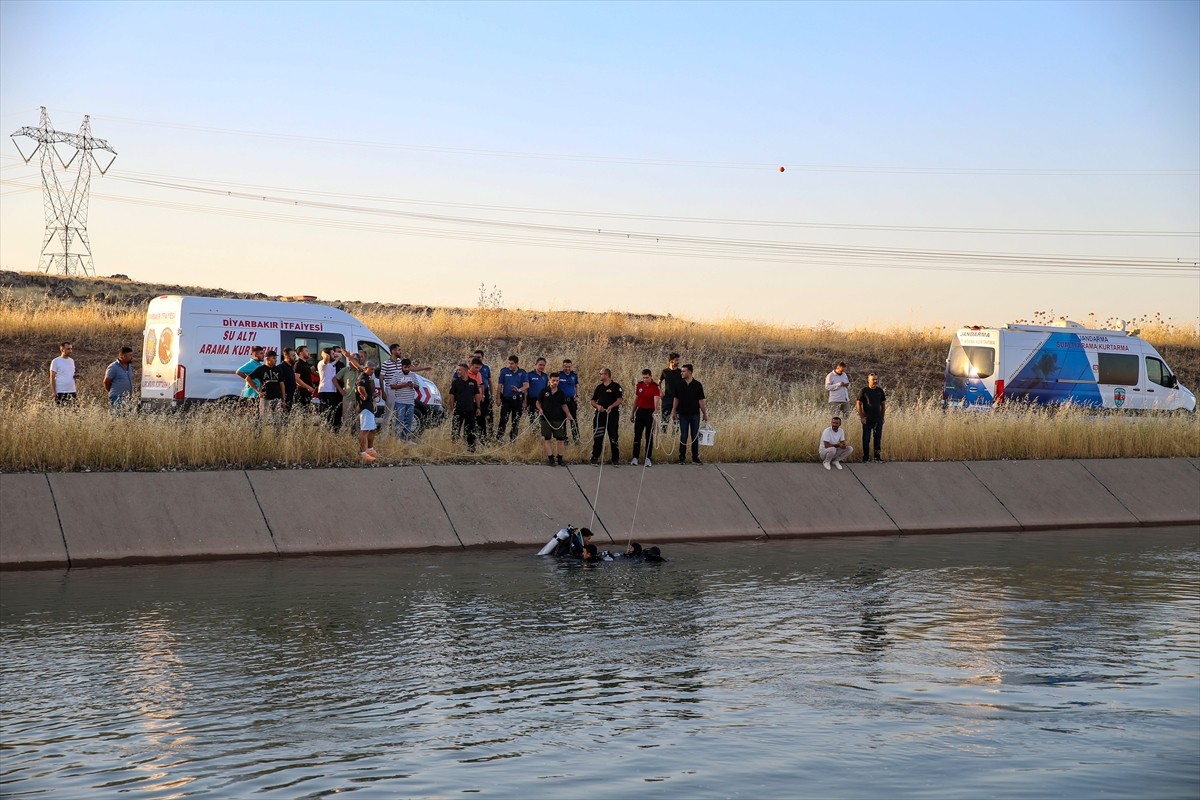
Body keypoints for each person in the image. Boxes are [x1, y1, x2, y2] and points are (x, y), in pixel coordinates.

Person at [672, 364, 708, 465]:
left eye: (684, 371)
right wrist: (674, 411)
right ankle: (682, 457)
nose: (681, 373)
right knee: (683, 436)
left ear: (690, 372)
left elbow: (700, 400)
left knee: (694, 436)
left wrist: (704, 413)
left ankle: (695, 457)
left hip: (695, 414)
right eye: (681, 371)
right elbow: (676, 398)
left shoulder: (697, 385)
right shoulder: (679, 384)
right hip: (683, 414)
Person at [536, 373, 574, 466]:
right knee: (547, 438)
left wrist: (568, 414)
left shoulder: (561, 392)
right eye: (553, 380)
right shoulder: (544, 391)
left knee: (560, 439)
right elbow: (538, 402)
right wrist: (540, 409)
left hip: (558, 419)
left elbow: (563, 404)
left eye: (557, 381)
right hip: (546, 419)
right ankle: (551, 459)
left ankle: (560, 459)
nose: (555, 382)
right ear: (549, 380)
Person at [590, 368, 623, 465]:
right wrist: (597, 406)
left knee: (613, 436)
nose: (599, 375)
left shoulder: (616, 386)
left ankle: (615, 459)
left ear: (607, 374)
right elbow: (592, 401)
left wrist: (611, 406)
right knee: (598, 436)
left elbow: (619, 399)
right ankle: (595, 457)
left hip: (612, 415)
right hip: (600, 415)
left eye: (601, 374)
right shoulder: (599, 387)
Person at [630, 369, 661, 466]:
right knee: (637, 435)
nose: (645, 379)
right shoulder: (639, 385)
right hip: (640, 412)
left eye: (647, 377)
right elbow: (636, 399)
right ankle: (635, 457)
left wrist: (656, 410)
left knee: (649, 435)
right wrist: (632, 413)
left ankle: (648, 458)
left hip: (650, 413)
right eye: (643, 378)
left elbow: (656, 399)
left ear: (651, 376)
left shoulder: (655, 386)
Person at [247, 350, 287, 425]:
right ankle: (259, 435)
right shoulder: (261, 369)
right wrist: (258, 391)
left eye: (275, 358)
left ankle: (277, 436)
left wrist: (283, 398)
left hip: (277, 397)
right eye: (273, 358)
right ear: (267, 359)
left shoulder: (278, 369)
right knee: (262, 419)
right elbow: (248, 378)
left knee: (277, 421)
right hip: (265, 398)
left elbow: (282, 383)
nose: (275, 360)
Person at [449, 363, 481, 452]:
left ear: (466, 371)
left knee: (470, 430)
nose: (458, 372)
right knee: (455, 430)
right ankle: (454, 449)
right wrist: (452, 409)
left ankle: (471, 449)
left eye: (460, 370)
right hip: (458, 410)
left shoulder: (473, 382)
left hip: (470, 410)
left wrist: (478, 407)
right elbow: (451, 396)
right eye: (457, 370)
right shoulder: (455, 382)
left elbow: (477, 395)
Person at [496, 355, 529, 441]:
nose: (510, 365)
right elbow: (499, 386)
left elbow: (526, 386)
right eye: (509, 363)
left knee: (515, 421)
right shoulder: (504, 372)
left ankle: (513, 440)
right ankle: (499, 439)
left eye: (512, 364)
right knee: (503, 419)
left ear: (517, 363)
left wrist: (519, 391)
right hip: (506, 400)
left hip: (518, 400)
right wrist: (498, 398)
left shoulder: (522, 373)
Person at [856, 371, 887, 463]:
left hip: (878, 419)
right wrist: (862, 416)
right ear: (868, 380)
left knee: (877, 438)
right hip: (867, 419)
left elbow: (883, 405)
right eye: (873, 379)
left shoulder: (880, 391)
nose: (875, 381)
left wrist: (882, 417)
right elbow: (858, 404)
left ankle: (877, 457)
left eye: (876, 379)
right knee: (866, 439)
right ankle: (866, 458)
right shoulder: (864, 391)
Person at [356, 360, 381, 461]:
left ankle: (370, 449)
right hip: (364, 407)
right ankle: (362, 452)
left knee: (372, 429)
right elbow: (360, 387)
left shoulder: (367, 378)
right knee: (365, 430)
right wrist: (365, 395)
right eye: (371, 369)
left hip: (369, 406)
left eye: (374, 369)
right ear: (366, 368)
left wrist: (372, 395)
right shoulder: (362, 377)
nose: (373, 371)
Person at [390, 358, 420, 441]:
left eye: (408, 367)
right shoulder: (397, 374)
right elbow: (392, 386)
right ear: (401, 367)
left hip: (410, 402)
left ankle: (407, 439)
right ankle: (397, 439)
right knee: (399, 421)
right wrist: (402, 385)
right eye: (405, 367)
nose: (407, 369)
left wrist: (413, 385)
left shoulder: (413, 375)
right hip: (400, 401)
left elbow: (418, 387)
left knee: (409, 421)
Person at [337, 352, 365, 434]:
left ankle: (358, 437)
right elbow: (335, 379)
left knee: (358, 420)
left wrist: (348, 356)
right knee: (347, 420)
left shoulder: (360, 370)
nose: (350, 361)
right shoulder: (346, 370)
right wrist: (340, 390)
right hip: (348, 398)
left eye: (353, 360)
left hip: (358, 399)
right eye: (349, 360)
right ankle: (346, 437)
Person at [317, 347, 343, 429]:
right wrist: (324, 353)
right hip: (325, 391)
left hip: (332, 391)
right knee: (327, 413)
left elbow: (339, 357)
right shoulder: (322, 363)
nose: (334, 355)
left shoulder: (331, 364)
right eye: (332, 354)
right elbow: (326, 359)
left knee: (333, 413)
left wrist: (337, 354)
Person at [103, 346, 135, 411]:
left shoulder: (129, 366)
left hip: (128, 397)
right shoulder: (113, 367)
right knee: (117, 418)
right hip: (116, 397)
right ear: (123, 357)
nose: (132, 357)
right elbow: (106, 382)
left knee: (128, 418)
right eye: (130, 356)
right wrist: (113, 391)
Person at [558, 359, 581, 443]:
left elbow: (577, 386)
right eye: (565, 366)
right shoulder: (559, 375)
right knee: (562, 421)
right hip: (561, 401)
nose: (567, 368)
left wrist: (577, 396)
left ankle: (576, 439)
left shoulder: (574, 375)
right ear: (563, 366)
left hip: (571, 401)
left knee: (573, 420)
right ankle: (564, 439)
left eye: (569, 366)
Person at [658, 352, 682, 433]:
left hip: (678, 399)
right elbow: (659, 383)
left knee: (677, 420)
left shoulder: (680, 372)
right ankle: (663, 436)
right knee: (665, 419)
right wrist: (660, 391)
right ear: (671, 361)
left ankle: (674, 438)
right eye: (676, 360)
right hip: (667, 398)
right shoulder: (665, 371)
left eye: (678, 360)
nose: (678, 362)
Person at [473, 349, 494, 441]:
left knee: (488, 413)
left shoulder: (486, 368)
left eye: (479, 357)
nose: (477, 358)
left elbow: (489, 381)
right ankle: (476, 434)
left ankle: (489, 434)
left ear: (482, 358)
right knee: (477, 414)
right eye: (475, 357)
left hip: (485, 393)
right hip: (474, 394)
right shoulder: (471, 368)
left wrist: (492, 394)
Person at [235, 345, 265, 410]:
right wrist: (247, 379)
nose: (263, 355)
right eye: (261, 353)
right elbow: (238, 372)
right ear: (255, 354)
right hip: (250, 395)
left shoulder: (259, 364)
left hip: (257, 395)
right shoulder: (251, 363)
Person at [50, 341, 79, 406]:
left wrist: (75, 376)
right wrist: (54, 392)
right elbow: (52, 378)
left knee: (75, 412)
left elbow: (71, 374)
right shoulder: (55, 361)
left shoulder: (72, 361)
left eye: (71, 349)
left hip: (72, 390)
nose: (70, 351)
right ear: (62, 350)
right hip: (60, 391)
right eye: (68, 349)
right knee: (61, 413)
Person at [291, 345, 317, 411]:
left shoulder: (306, 364)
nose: (309, 353)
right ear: (301, 353)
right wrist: (308, 387)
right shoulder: (298, 364)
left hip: (308, 393)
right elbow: (297, 379)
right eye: (306, 351)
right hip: (301, 393)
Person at [526, 357, 550, 422]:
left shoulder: (545, 376)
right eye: (540, 365)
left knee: (541, 419)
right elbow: (525, 389)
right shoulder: (529, 375)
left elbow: (546, 389)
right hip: (531, 401)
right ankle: (533, 432)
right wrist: (524, 401)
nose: (542, 366)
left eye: (543, 365)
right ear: (536, 364)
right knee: (532, 419)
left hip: (541, 401)